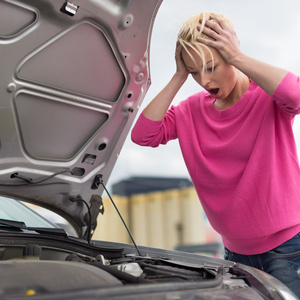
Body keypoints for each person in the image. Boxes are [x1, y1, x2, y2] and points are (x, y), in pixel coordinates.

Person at [131, 11, 300, 297]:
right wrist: (178, 76)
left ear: (230, 57)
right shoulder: (191, 111)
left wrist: (238, 57)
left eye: (211, 67)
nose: (204, 80)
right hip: (235, 253)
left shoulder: (266, 97)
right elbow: (143, 135)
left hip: (288, 250)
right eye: (195, 72)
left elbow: (295, 96)